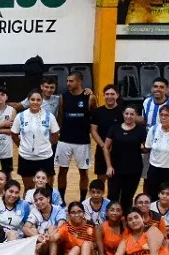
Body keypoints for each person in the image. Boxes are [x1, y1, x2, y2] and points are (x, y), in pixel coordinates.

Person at [55, 71, 94, 201]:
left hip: (82, 140)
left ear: (79, 82)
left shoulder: (90, 97)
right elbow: (60, 115)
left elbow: (95, 117)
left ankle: (82, 200)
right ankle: (61, 200)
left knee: (83, 172)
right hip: (65, 139)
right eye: (67, 81)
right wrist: (59, 131)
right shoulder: (63, 97)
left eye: (71, 81)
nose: (68, 83)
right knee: (62, 170)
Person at [102, 104, 146, 211]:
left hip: (134, 170)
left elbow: (146, 148)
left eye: (132, 114)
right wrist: (109, 166)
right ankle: (111, 222)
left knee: (127, 198)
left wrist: (140, 149)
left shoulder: (141, 130)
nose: (129, 116)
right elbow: (105, 148)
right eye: (127, 114)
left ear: (136, 116)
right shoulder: (115, 128)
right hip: (115, 169)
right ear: (123, 114)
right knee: (113, 197)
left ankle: (126, 222)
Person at [90, 84, 123, 189]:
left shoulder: (123, 112)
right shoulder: (97, 112)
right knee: (100, 180)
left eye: (112, 94)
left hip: (118, 151)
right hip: (102, 149)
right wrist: (103, 145)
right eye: (107, 94)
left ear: (117, 95)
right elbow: (94, 131)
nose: (109, 96)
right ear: (103, 96)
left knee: (116, 181)